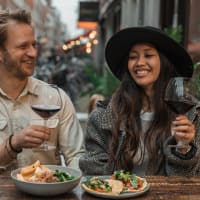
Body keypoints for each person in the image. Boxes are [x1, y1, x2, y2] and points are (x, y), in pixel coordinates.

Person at [79, 26, 200, 176]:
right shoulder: (102, 116)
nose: (139, 62)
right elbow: (91, 169)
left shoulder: (191, 116)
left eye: (148, 55)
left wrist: (183, 148)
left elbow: (185, 183)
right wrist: (128, 186)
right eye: (133, 57)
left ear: (164, 62)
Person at [0, 9, 84, 169]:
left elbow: (76, 156)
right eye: (23, 46)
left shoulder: (56, 98)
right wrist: (14, 143)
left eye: (34, 45)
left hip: (47, 193)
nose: (33, 53)